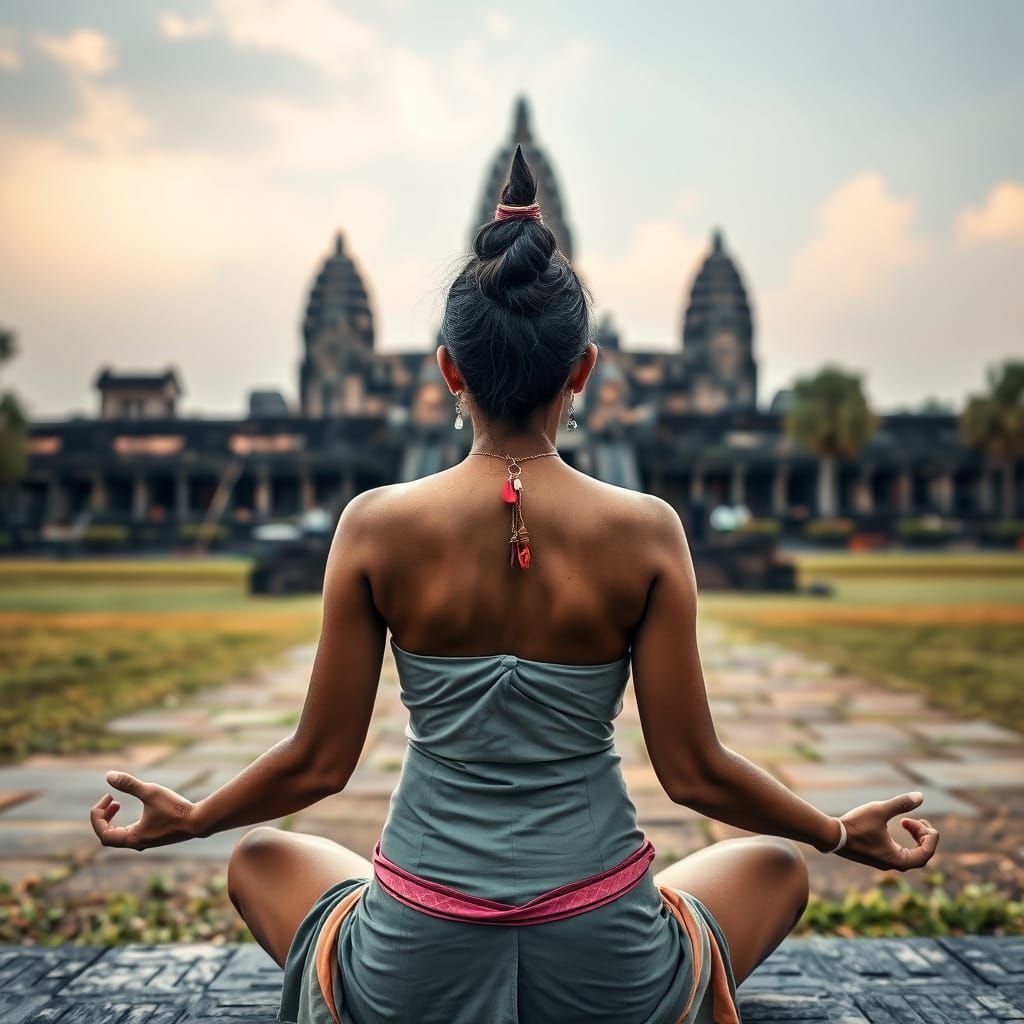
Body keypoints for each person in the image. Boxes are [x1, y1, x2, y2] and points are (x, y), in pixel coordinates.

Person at [91, 146, 940, 1024]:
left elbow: (319, 763)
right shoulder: (647, 531)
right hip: (606, 960)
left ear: (449, 371)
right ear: (583, 370)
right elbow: (695, 774)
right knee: (776, 866)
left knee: (259, 858)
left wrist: (196, 817)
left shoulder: (373, 526)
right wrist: (837, 832)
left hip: (416, 959)